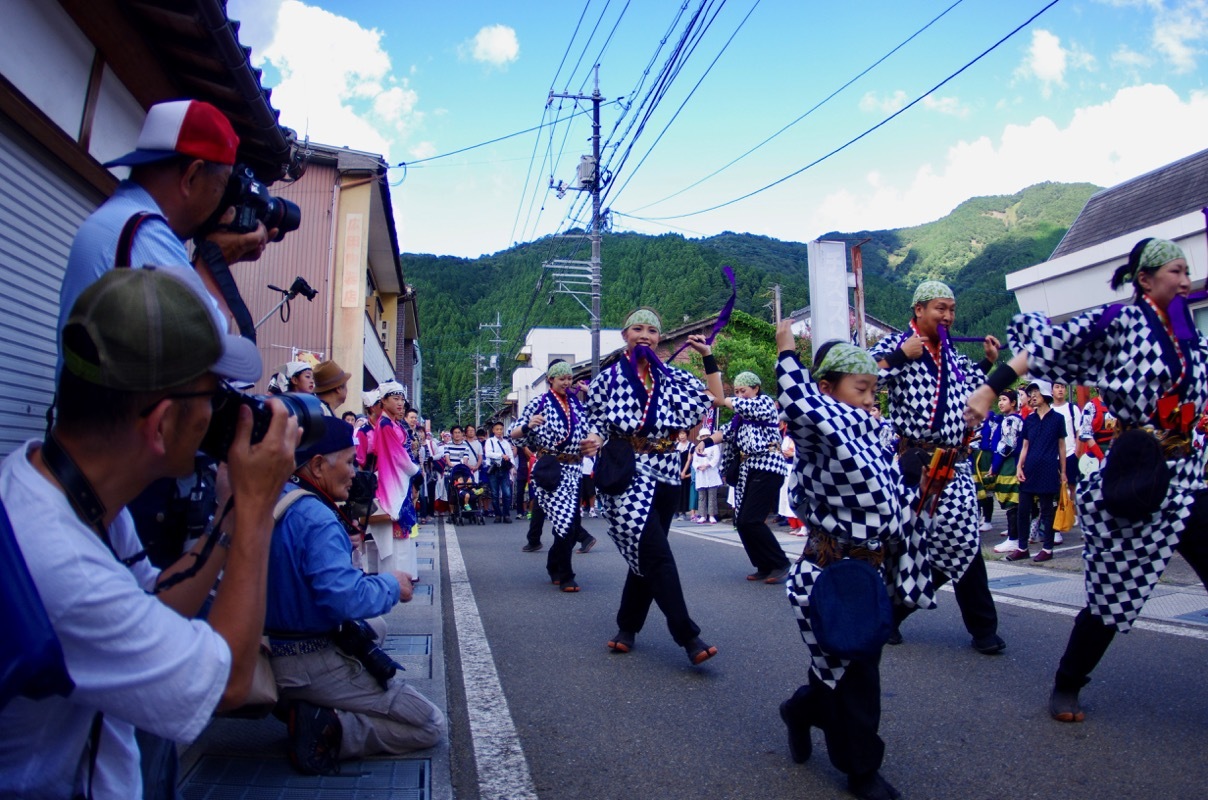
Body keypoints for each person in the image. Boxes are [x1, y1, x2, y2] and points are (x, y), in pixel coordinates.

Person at [0, 268, 299, 798]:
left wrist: (231, 512)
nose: (222, 415)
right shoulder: (61, 562)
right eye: (214, 397)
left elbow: (155, 602)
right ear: (161, 423)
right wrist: (256, 510)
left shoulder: (58, 488)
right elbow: (227, 683)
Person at [967, 237, 1208, 723]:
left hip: (1189, 473)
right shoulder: (1120, 323)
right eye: (1176, 272)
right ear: (1145, 279)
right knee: (1113, 593)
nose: (1185, 281)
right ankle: (1067, 682)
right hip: (1138, 477)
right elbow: (1043, 349)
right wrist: (991, 388)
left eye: (1187, 272)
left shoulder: (1187, 332)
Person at [775, 326, 918, 800]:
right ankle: (861, 772)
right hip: (828, 573)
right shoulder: (818, 431)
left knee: (842, 669)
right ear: (827, 389)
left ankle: (800, 710)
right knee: (857, 676)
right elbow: (797, 402)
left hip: (868, 572)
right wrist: (786, 349)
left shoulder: (872, 431)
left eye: (874, 390)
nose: (869, 399)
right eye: (861, 389)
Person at [266, 417, 445, 775]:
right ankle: (333, 728)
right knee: (430, 725)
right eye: (348, 462)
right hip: (306, 657)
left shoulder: (276, 495)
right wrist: (393, 584)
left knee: (373, 627)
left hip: (268, 646)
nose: (355, 472)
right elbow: (343, 598)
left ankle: (302, 705)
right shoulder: (316, 516)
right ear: (317, 465)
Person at [58, 100, 273, 344]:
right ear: (191, 176)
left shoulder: (118, 217)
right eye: (223, 185)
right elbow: (207, 346)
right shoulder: (143, 235)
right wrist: (214, 261)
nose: (222, 200)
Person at [868, 280, 1005, 655]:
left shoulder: (952, 355)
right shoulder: (898, 345)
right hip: (916, 465)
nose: (948, 316)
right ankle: (893, 613)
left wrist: (989, 363)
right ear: (919, 310)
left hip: (954, 464)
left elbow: (971, 391)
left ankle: (981, 629)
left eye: (952, 309)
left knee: (963, 541)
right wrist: (898, 356)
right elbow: (859, 378)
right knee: (911, 545)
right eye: (940, 308)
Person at [582, 307, 718, 665]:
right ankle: (688, 635)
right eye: (637, 328)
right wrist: (592, 438)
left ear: (658, 338)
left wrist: (707, 356)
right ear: (625, 335)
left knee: (645, 553)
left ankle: (627, 627)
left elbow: (713, 398)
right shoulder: (606, 379)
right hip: (630, 470)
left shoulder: (672, 377)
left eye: (652, 330)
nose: (645, 334)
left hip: (668, 471)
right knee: (656, 553)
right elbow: (592, 422)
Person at [510, 361, 596, 590]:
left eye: (569, 378)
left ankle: (553, 565)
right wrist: (528, 426)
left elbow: (591, 427)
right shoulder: (539, 403)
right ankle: (566, 575)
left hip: (574, 469)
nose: (567, 382)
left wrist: (590, 444)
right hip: (550, 469)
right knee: (565, 523)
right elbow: (514, 435)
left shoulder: (577, 405)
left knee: (566, 522)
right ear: (551, 380)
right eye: (562, 379)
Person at [708, 371, 792, 583]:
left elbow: (743, 405)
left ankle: (780, 563)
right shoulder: (740, 420)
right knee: (742, 521)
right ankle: (764, 565)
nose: (739, 395)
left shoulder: (764, 404)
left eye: (743, 390)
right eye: (736, 391)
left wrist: (724, 398)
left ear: (755, 388)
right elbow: (724, 432)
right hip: (748, 469)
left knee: (751, 519)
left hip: (767, 465)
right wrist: (704, 443)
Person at [1002, 380, 1066, 563]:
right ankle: (1022, 547)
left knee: (1047, 509)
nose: (1033, 396)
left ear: (1045, 394)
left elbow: (1062, 446)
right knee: (1024, 509)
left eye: (1036, 392)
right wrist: (1019, 466)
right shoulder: (1029, 419)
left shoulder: (1057, 419)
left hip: (1048, 468)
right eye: (1031, 393)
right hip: (1029, 467)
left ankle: (1047, 548)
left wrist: (1063, 471)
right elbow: (1025, 445)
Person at [374, 382, 420, 541]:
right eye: (395, 399)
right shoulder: (386, 425)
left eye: (402, 399)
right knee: (396, 533)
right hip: (394, 478)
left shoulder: (393, 423)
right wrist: (416, 471)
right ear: (384, 401)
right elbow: (399, 456)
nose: (400, 403)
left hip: (401, 477)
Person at [989, 390, 1026, 553]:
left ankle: (1014, 538)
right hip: (1009, 462)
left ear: (1013, 403)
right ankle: (1014, 537)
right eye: (999, 400)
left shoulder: (1011, 420)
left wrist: (995, 466)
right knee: (1013, 503)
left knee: (1012, 501)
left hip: (1010, 464)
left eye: (1004, 399)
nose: (1000, 403)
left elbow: (1007, 445)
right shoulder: (1009, 419)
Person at [484, 421, 516, 523]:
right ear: (493, 430)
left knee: (507, 493)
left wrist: (513, 467)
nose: (499, 431)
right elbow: (488, 453)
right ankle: (498, 514)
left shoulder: (506, 443)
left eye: (501, 429)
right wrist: (501, 455)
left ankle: (506, 514)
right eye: (497, 429)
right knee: (494, 494)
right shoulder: (489, 441)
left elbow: (511, 456)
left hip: (504, 469)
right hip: (494, 469)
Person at [692, 429, 722, 524]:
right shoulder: (697, 448)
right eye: (703, 436)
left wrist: (707, 465)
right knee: (701, 496)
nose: (705, 438)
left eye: (706, 436)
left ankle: (712, 515)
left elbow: (716, 458)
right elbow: (694, 461)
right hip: (701, 474)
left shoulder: (714, 446)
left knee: (712, 496)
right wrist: (698, 466)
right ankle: (702, 515)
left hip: (711, 473)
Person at [354, 389, 381, 470]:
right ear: (372, 408)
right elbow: (360, 461)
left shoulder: (385, 427)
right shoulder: (363, 431)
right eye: (381, 405)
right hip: (370, 476)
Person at [674, 431, 693, 521]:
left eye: (683, 434)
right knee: (676, 490)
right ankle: (675, 511)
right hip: (676, 470)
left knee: (684, 490)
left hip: (685, 469)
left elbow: (689, 460)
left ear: (687, 435)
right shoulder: (675, 445)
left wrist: (684, 471)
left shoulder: (690, 445)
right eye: (680, 434)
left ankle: (684, 512)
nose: (681, 436)